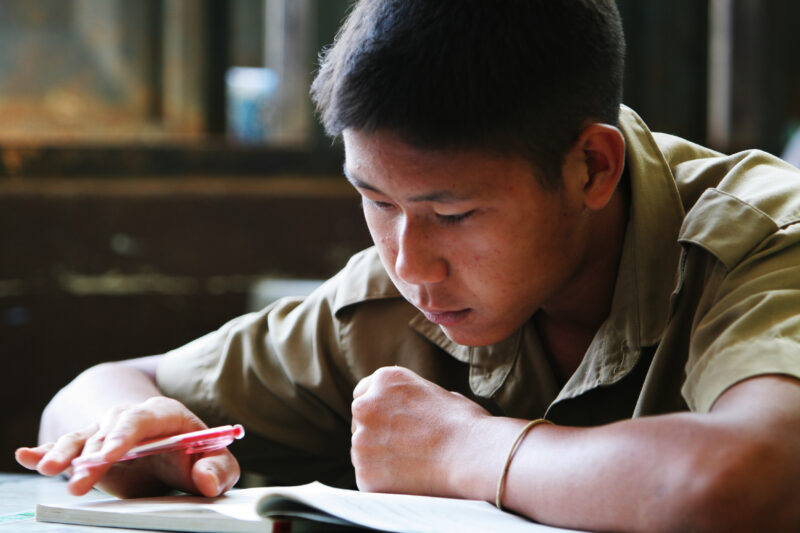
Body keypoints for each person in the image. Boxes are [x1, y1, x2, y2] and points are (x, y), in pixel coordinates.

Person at [16, 0, 800, 531]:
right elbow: (101, 388)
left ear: (593, 167)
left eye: (453, 215)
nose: (409, 262)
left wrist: (465, 451)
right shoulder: (391, 296)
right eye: (376, 200)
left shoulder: (763, 239)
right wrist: (133, 435)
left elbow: (746, 479)